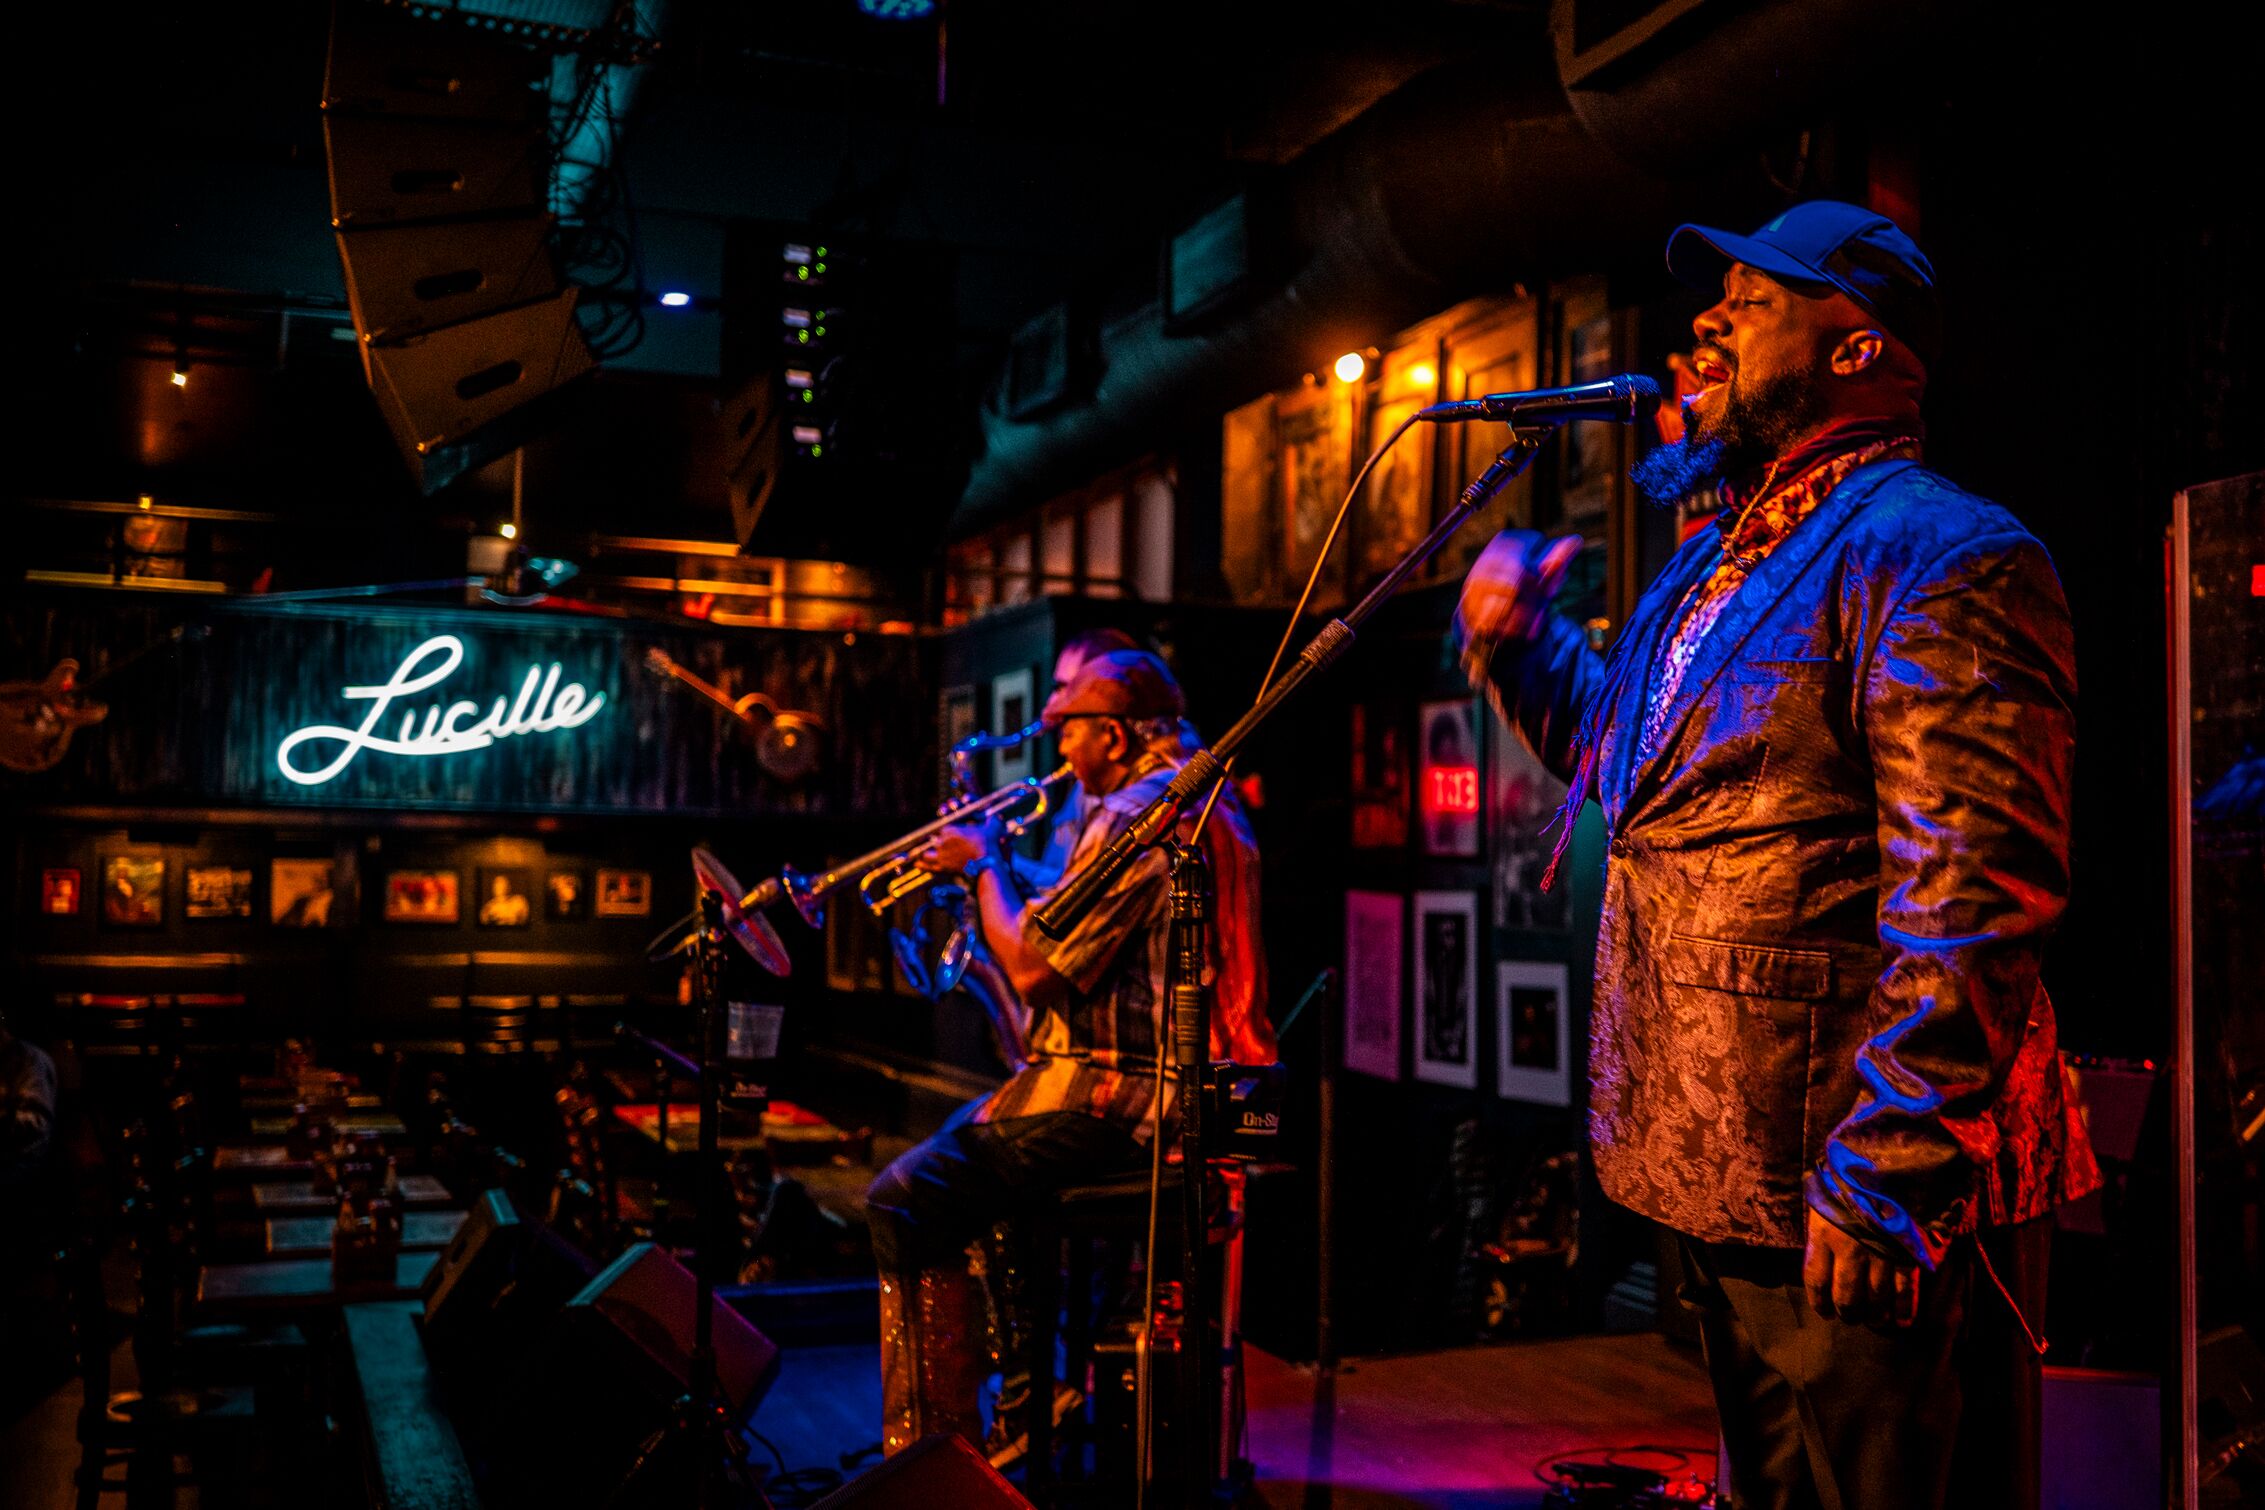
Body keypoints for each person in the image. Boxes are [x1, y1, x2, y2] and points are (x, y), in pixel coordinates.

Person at [1454, 201, 2097, 1510]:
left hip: (1845, 1181)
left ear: (1856, 350)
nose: (1704, 321)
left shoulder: (1945, 552)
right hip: (1721, 1162)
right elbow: (1634, 773)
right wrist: (1522, 643)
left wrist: (1889, 1170)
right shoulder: (1709, 564)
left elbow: (1975, 885)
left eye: (1751, 302)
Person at [865, 649, 1191, 1456]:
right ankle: (1022, 1405)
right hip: (1126, 1083)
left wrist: (981, 863)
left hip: (1124, 1095)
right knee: (975, 1178)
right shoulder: (1171, 802)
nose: (1059, 755)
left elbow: (1030, 968)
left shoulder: (1131, 813)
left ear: (1112, 738)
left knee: (902, 1196)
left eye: (1068, 732)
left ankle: (935, 1453)